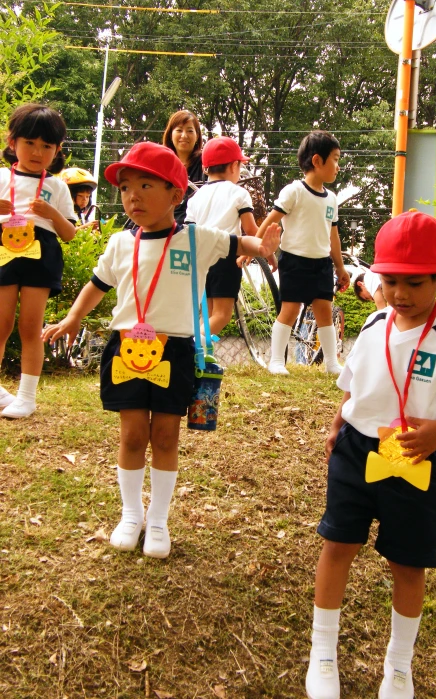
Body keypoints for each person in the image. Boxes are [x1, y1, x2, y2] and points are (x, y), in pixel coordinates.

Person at [42, 142, 280, 559]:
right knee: (132, 435)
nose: (132, 195)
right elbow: (96, 285)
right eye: (126, 186)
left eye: (145, 185)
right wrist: (73, 318)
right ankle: (131, 514)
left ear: (176, 194)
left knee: (166, 435)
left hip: (175, 351)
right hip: (126, 349)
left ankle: (159, 520)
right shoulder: (119, 243)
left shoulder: (197, 239)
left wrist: (262, 247)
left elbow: (240, 243)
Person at [305, 211, 436, 699]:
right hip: (355, 454)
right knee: (337, 545)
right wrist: (337, 424)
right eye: (390, 281)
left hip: (412, 459)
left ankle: (399, 665)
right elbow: (352, 386)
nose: (401, 293)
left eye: (415, 282)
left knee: (408, 563)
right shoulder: (371, 323)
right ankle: (323, 651)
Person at [0, 103, 77, 419]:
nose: (37, 151)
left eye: (47, 145)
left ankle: (27, 397)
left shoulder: (58, 186)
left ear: (57, 150)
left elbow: (70, 233)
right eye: (29, 142)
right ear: (12, 141)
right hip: (5, 250)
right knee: (0, 324)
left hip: (41, 255)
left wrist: (53, 213)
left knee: (30, 326)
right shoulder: (2, 176)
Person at [254, 130, 350, 375]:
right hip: (294, 261)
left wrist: (339, 267)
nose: (338, 166)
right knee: (290, 308)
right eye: (336, 159)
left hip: (321, 263)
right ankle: (276, 361)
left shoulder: (332, 199)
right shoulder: (294, 191)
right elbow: (271, 220)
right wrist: (254, 246)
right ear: (317, 161)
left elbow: (333, 236)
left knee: (324, 311)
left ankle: (331, 363)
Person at [186, 136, 259, 336]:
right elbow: (251, 230)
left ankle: (202, 359)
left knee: (208, 313)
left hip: (201, 260)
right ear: (234, 166)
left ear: (206, 169)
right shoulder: (238, 193)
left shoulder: (195, 198)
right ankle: (194, 348)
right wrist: (266, 252)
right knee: (222, 315)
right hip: (226, 257)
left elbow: (188, 234)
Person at [162, 110, 206, 223]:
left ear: (197, 136)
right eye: (179, 130)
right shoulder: (161, 165)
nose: (184, 135)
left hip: (196, 228)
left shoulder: (205, 163)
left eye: (190, 131)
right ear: (170, 134)